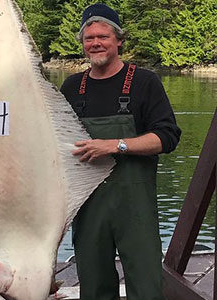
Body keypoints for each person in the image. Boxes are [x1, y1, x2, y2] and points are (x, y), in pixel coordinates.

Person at [60, 4, 181, 300]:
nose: (96, 43)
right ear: (82, 44)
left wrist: (116, 145)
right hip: (87, 206)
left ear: (119, 40)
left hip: (134, 206)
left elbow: (167, 137)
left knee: (146, 286)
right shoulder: (72, 88)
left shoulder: (144, 82)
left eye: (103, 36)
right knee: (94, 286)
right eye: (89, 38)